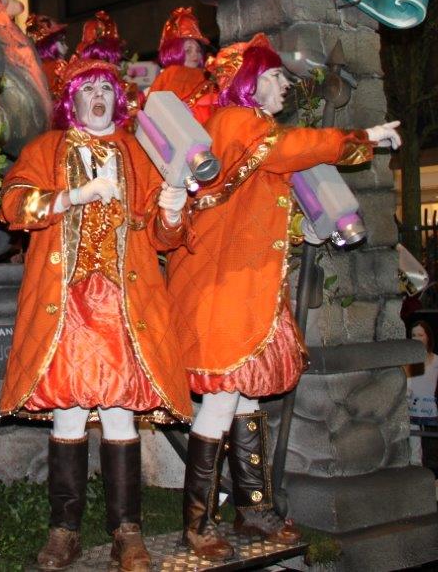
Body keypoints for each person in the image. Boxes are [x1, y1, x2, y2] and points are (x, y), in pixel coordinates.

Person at [166, 33, 401, 560]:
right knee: (222, 400)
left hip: (246, 287)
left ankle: (254, 510)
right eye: (273, 76)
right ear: (247, 83)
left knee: (246, 399)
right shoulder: (236, 123)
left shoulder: (251, 130)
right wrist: (361, 136)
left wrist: (306, 228)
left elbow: (258, 210)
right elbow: (291, 149)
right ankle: (197, 524)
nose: (283, 84)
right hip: (223, 289)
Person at [0, 55, 192, 571]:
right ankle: (64, 531)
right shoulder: (46, 149)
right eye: (87, 89)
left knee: (120, 413)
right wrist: (74, 196)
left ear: (118, 98)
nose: (98, 96)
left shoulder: (139, 153)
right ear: (72, 101)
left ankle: (127, 532)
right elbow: (13, 205)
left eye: (106, 87)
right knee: (68, 413)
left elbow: (164, 237)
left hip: (124, 306)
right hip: (66, 305)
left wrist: (172, 210)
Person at [145, 6, 216, 124]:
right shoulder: (173, 73)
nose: (195, 54)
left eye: (198, 50)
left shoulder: (207, 77)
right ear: (175, 52)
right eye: (188, 50)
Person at [405, 320, 438, 422]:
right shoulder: (405, 360)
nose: (417, 339)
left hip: (429, 416)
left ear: (428, 337)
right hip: (408, 416)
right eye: (414, 335)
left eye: (420, 335)